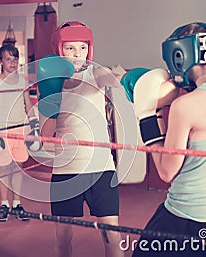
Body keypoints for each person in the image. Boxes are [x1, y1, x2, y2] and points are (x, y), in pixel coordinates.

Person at [122, 22, 206, 256]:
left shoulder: (186, 106)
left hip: (187, 216)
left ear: (178, 55)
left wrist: (146, 116)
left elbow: (166, 171)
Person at [37, 21, 125, 257]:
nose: (78, 55)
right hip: (67, 169)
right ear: (59, 49)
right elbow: (46, 139)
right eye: (70, 49)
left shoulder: (95, 72)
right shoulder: (49, 83)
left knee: (112, 235)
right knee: (63, 236)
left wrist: (119, 78)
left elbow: (114, 81)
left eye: (82, 48)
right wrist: (52, 97)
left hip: (101, 168)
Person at [0, 44, 40, 222]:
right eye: (8, 59)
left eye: (15, 59)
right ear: (1, 61)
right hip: (2, 129)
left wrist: (34, 126)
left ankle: (16, 203)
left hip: (20, 128)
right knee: (3, 169)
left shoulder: (22, 81)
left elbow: (28, 104)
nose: (12, 62)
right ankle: (4, 204)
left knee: (18, 168)